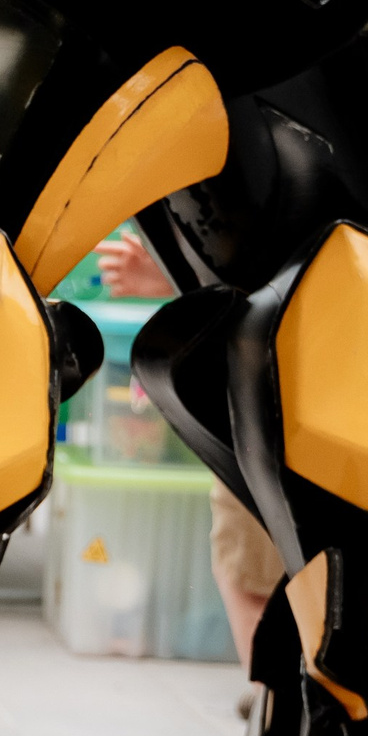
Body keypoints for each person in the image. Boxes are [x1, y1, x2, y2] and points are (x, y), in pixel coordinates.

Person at [95, 233, 282, 684]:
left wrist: (178, 276)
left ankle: (279, 709)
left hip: (271, 387)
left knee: (248, 575)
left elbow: (267, 269)